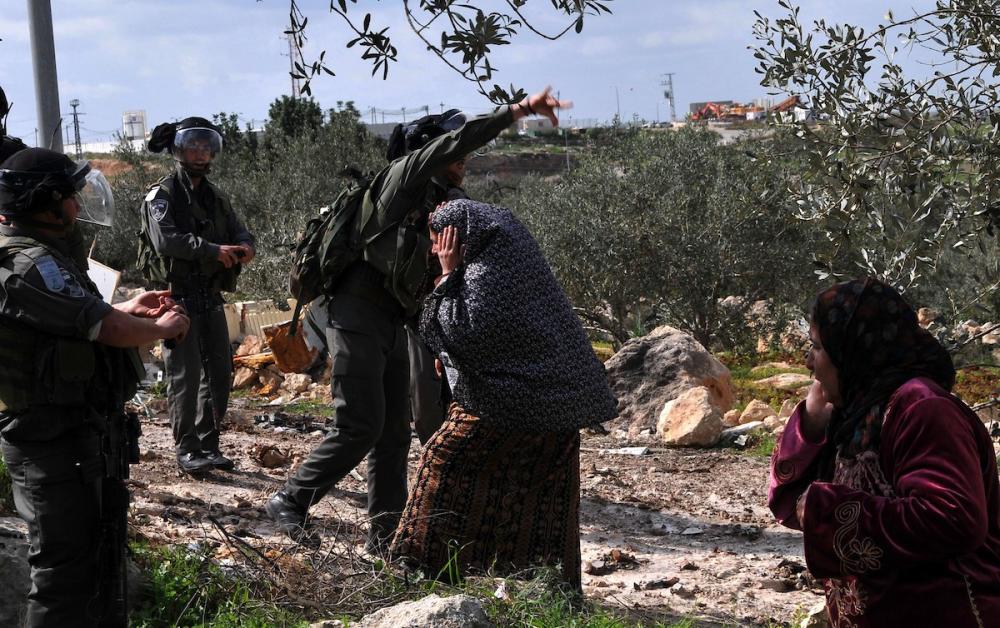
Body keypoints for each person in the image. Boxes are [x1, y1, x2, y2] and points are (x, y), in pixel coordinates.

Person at [265, 88, 570, 553]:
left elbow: (427, 285)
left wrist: (442, 346)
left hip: (393, 320)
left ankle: (386, 538)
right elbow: (453, 144)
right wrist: (519, 111)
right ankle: (290, 499)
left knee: (392, 437)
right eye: (453, 150)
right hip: (357, 312)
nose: (462, 158)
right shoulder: (402, 178)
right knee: (359, 424)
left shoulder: (440, 204)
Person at [0, 148, 190, 626]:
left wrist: (130, 307)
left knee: (94, 564)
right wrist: (161, 328)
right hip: (49, 441)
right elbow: (105, 328)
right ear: (47, 204)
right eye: (70, 195)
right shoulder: (30, 263)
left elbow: (76, 320)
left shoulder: (43, 253)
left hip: (71, 435)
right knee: (63, 576)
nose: (77, 204)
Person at [390, 199, 617, 590]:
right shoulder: (518, 270)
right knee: (544, 498)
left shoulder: (482, 274)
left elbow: (463, 329)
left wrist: (448, 273)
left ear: (458, 239)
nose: (433, 249)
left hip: (508, 404)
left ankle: (418, 568)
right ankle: (548, 586)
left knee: (441, 460)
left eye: (438, 239)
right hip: (559, 410)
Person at [768, 278, 1000, 627]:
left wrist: (828, 510)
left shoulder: (921, 407)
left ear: (851, 348)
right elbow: (790, 505)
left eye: (817, 347)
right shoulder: (856, 415)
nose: (808, 362)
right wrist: (811, 426)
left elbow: (953, 518)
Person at [138, 117, 256, 474]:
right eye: (194, 147)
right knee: (184, 377)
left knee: (219, 374)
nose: (201, 154)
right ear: (178, 150)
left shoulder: (215, 196)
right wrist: (212, 250)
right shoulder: (162, 195)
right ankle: (186, 448)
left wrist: (246, 246)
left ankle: (209, 444)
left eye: (206, 147)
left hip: (210, 296)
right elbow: (166, 240)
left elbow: (239, 230)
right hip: (177, 297)